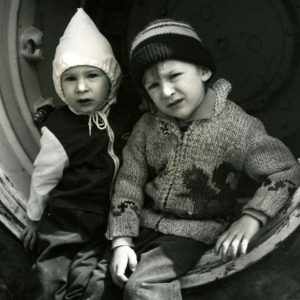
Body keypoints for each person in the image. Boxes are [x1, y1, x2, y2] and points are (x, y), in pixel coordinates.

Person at [83, 18, 300, 300]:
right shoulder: (147, 127)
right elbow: (129, 183)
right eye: (153, 86)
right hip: (144, 226)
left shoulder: (236, 127)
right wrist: (121, 241)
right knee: (97, 284)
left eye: (174, 76)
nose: (167, 92)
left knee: (142, 288)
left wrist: (252, 217)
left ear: (204, 70)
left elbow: (283, 171)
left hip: (191, 233)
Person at [21, 8, 127, 300]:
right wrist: (33, 218)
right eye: (70, 79)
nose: (82, 88)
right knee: (48, 275)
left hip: (106, 223)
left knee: (86, 280)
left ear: (111, 79)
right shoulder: (60, 128)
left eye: (92, 76)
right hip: (67, 220)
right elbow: (44, 176)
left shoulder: (124, 118)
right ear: (60, 85)